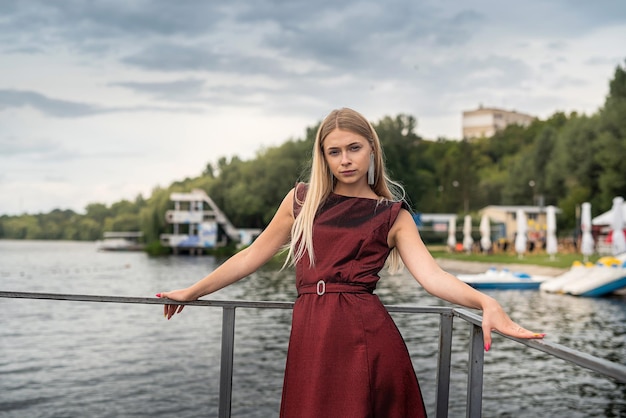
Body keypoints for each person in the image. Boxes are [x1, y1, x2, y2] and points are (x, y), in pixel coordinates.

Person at [157, 107, 545, 417]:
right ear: (323, 156)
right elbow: (252, 255)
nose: (345, 160)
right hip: (312, 332)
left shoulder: (392, 214)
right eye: (335, 151)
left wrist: (486, 302)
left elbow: (432, 276)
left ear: (372, 148)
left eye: (354, 148)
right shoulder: (302, 201)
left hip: (366, 338)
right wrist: (193, 291)